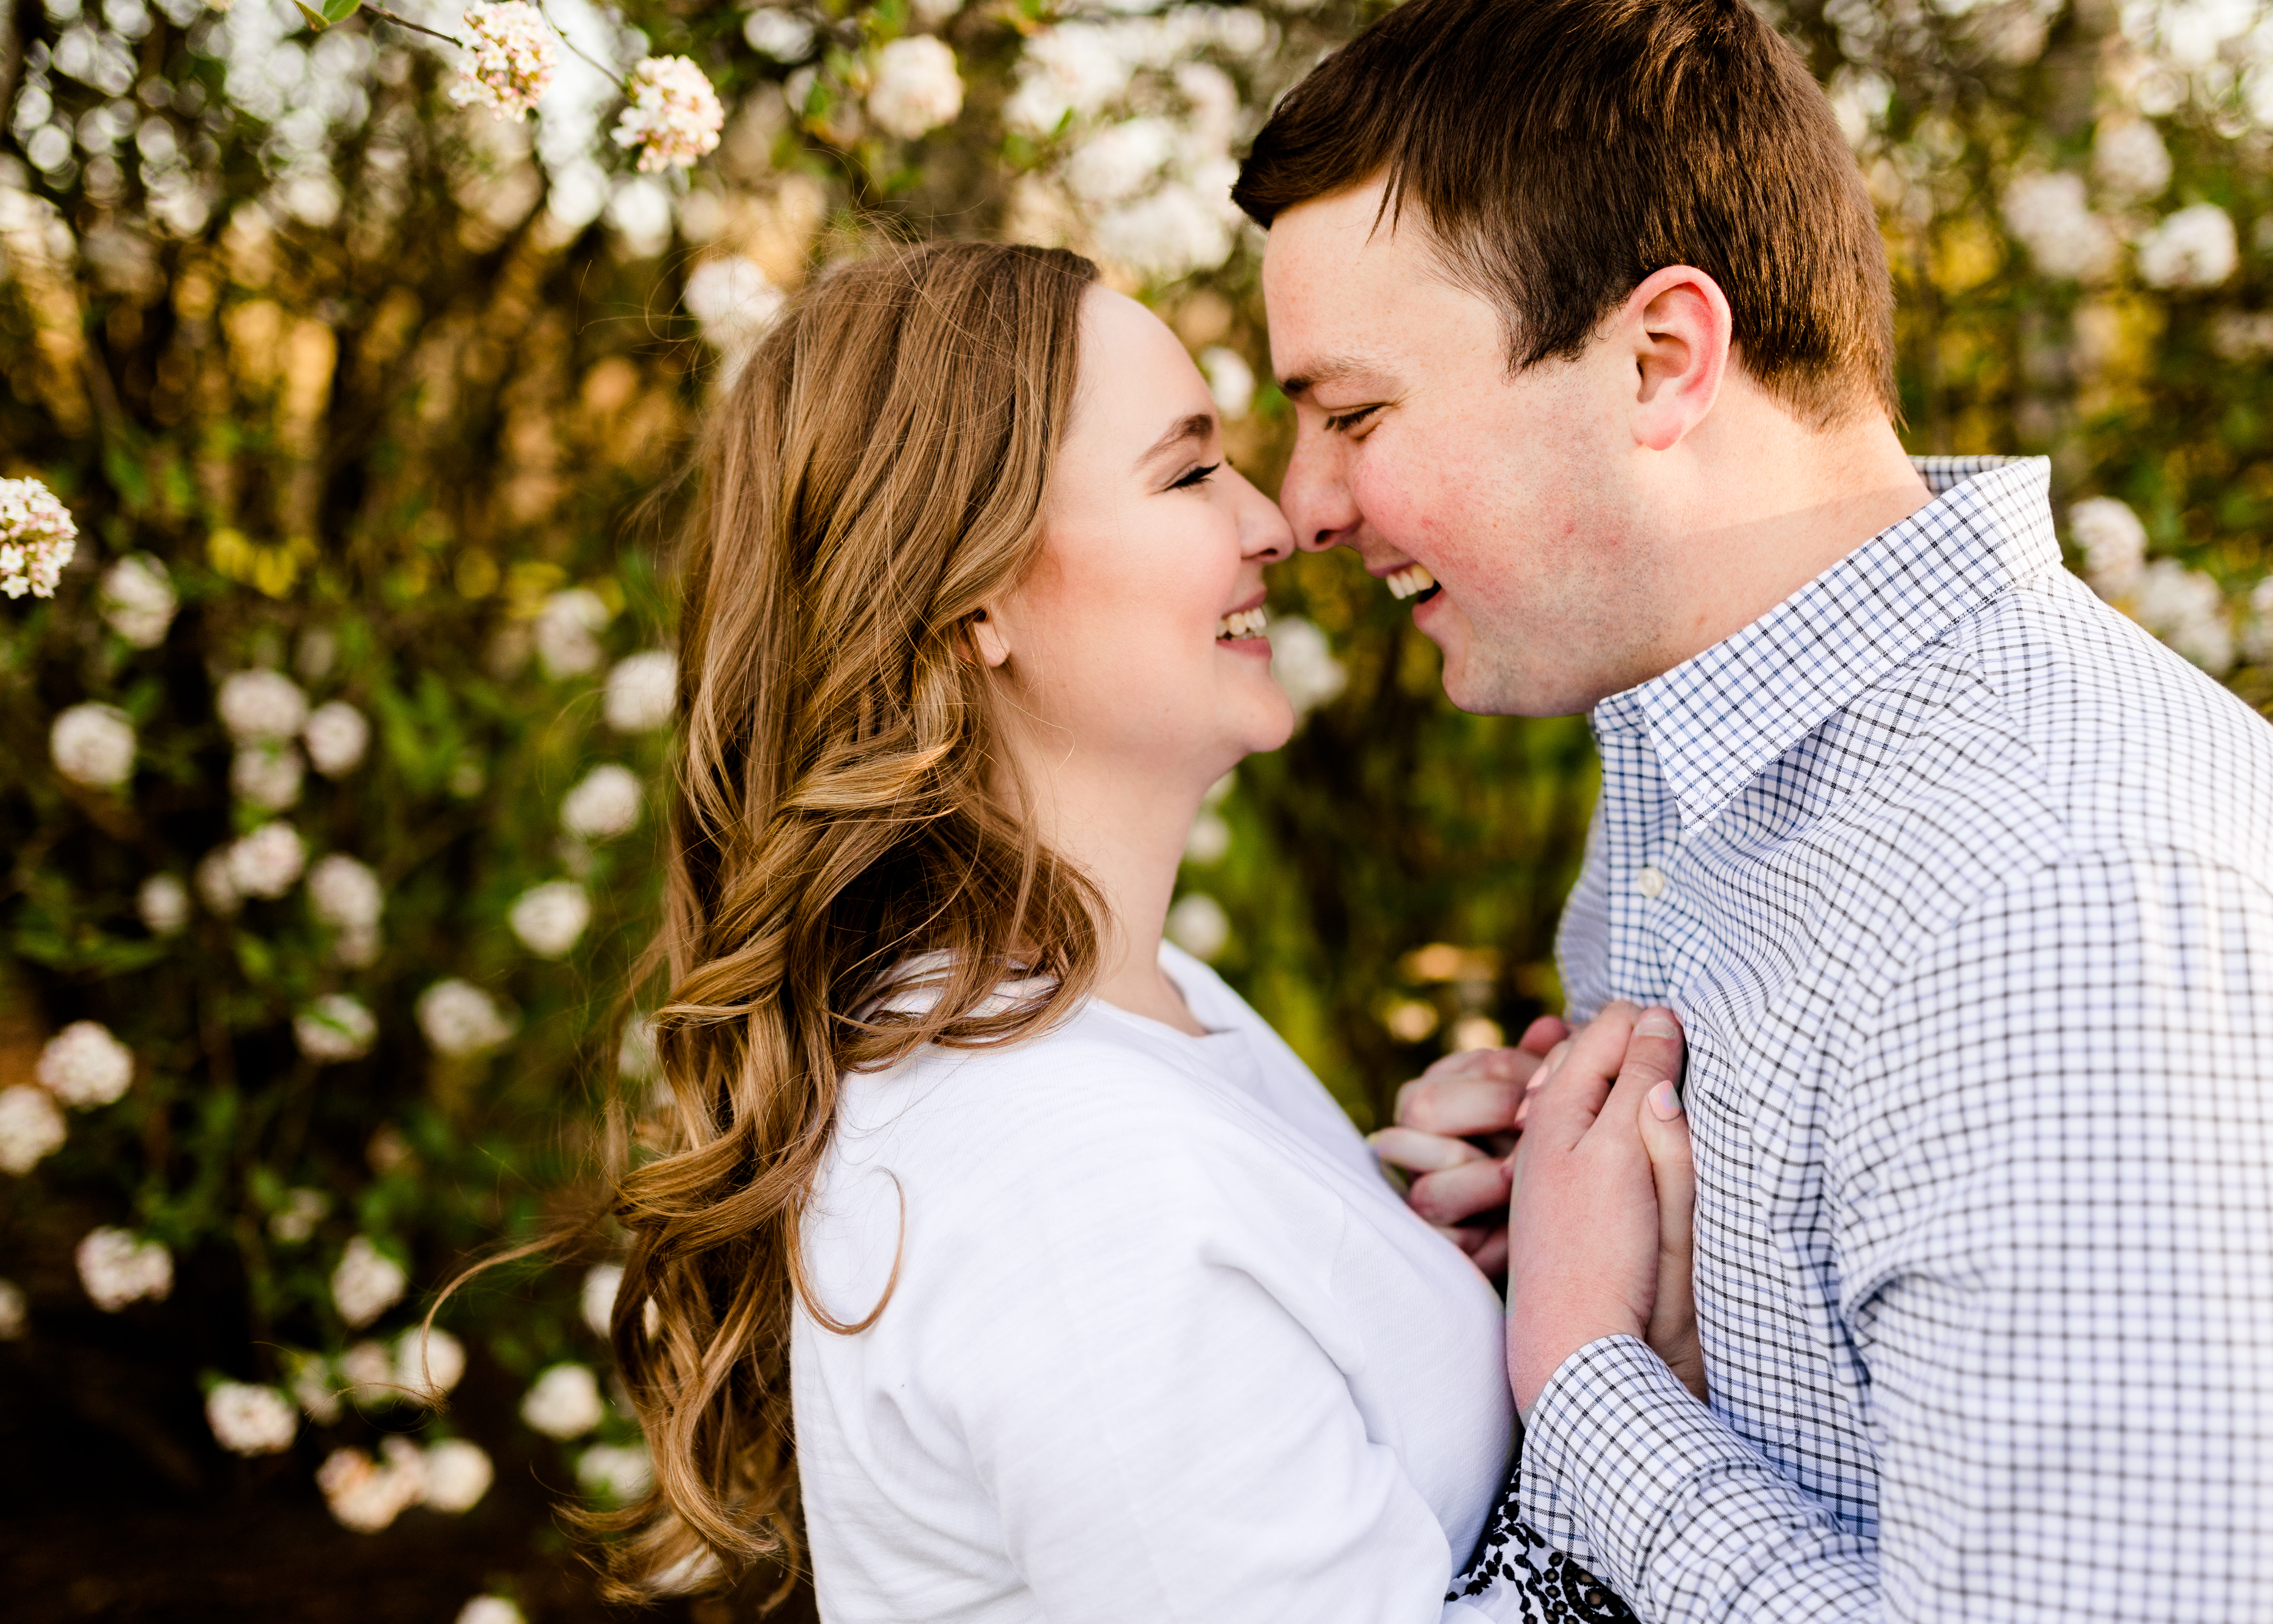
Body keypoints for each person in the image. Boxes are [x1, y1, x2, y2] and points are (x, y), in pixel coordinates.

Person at [1236, 0, 2273, 1619]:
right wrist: (1559, 1217)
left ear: (1663, 360)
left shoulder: (2053, 900)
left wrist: (1583, 1381)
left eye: (1355, 414)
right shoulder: (1678, 765)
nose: (1301, 503)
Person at [593, 240, 1687, 1621]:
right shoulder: (1059, 1179)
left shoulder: (1132, 1003)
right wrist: (1611, 1357)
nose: (1275, 521)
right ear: (967, 601)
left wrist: (1398, 1234)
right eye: (1184, 474)